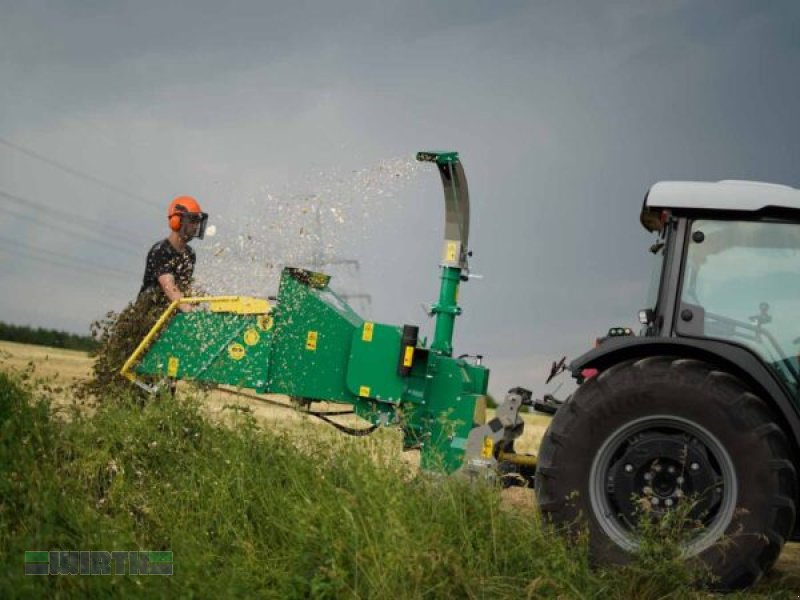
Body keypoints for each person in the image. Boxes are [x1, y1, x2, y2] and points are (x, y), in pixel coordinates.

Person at [82, 196, 208, 397]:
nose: (195, 226)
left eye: (197, 221)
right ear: (177, 221)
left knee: (168, 381)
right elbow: (170, 288)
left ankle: (162, 410)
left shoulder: (190, 255)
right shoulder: (161, 251)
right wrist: (191, 313)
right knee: (141, 380)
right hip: (147, 320)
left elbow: (185, 289)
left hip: (170, 322)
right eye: (192, 220)